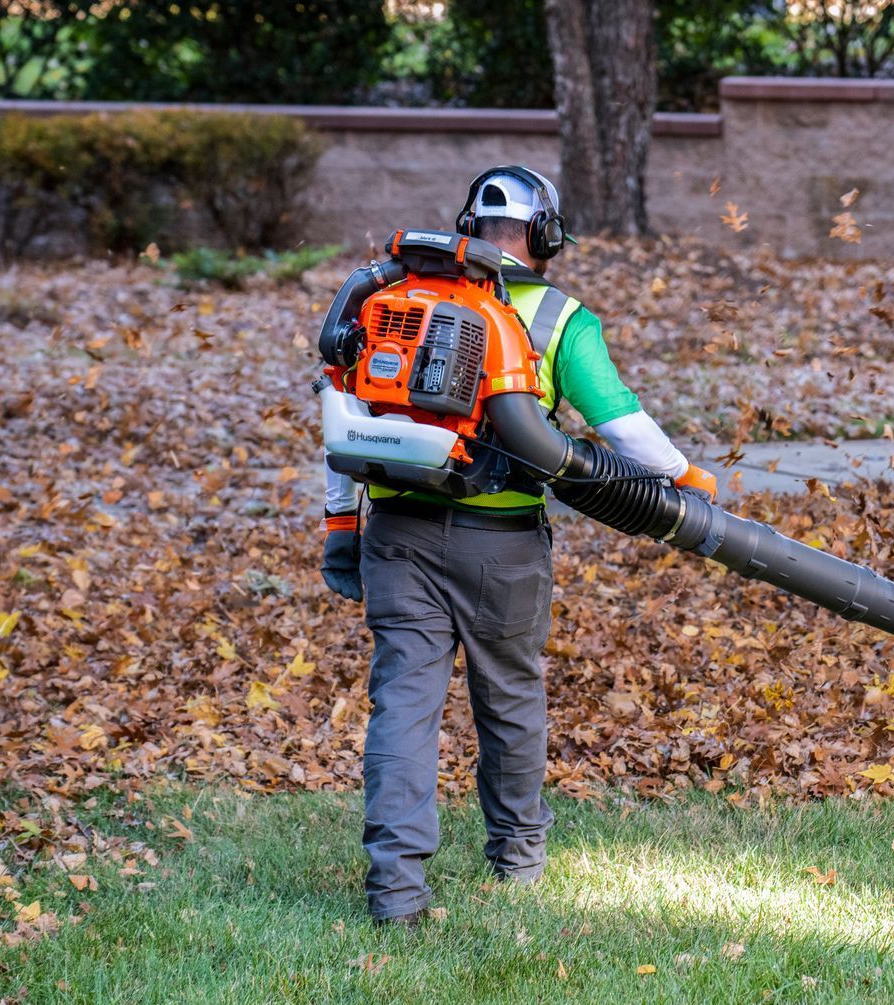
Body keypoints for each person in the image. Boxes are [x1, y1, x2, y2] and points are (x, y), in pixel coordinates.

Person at [317, 165, 717, 926]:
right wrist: (684, 477)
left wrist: (341, 527)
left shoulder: (389, 297)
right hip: (502, 544)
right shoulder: (560, 317)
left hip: (396, 532)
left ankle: (396, 892)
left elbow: (339, 413)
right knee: (509, 698)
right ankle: (518, 857)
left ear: (467, 226)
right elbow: (620, 426)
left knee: (403, 705)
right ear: (546, 236)